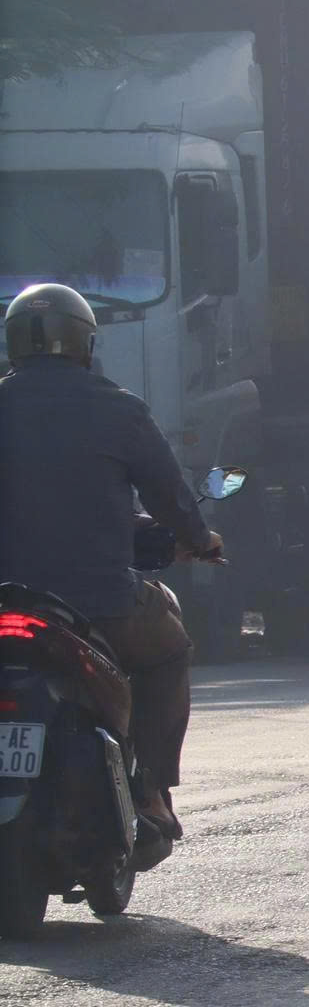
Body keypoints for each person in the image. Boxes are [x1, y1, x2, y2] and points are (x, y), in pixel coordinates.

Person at [0, 282, 221, 852]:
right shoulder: (118, 408)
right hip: (96, 602)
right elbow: (172, 499)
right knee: (168, 647)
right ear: (85, 343)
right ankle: (148, 785)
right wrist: (199, 540)